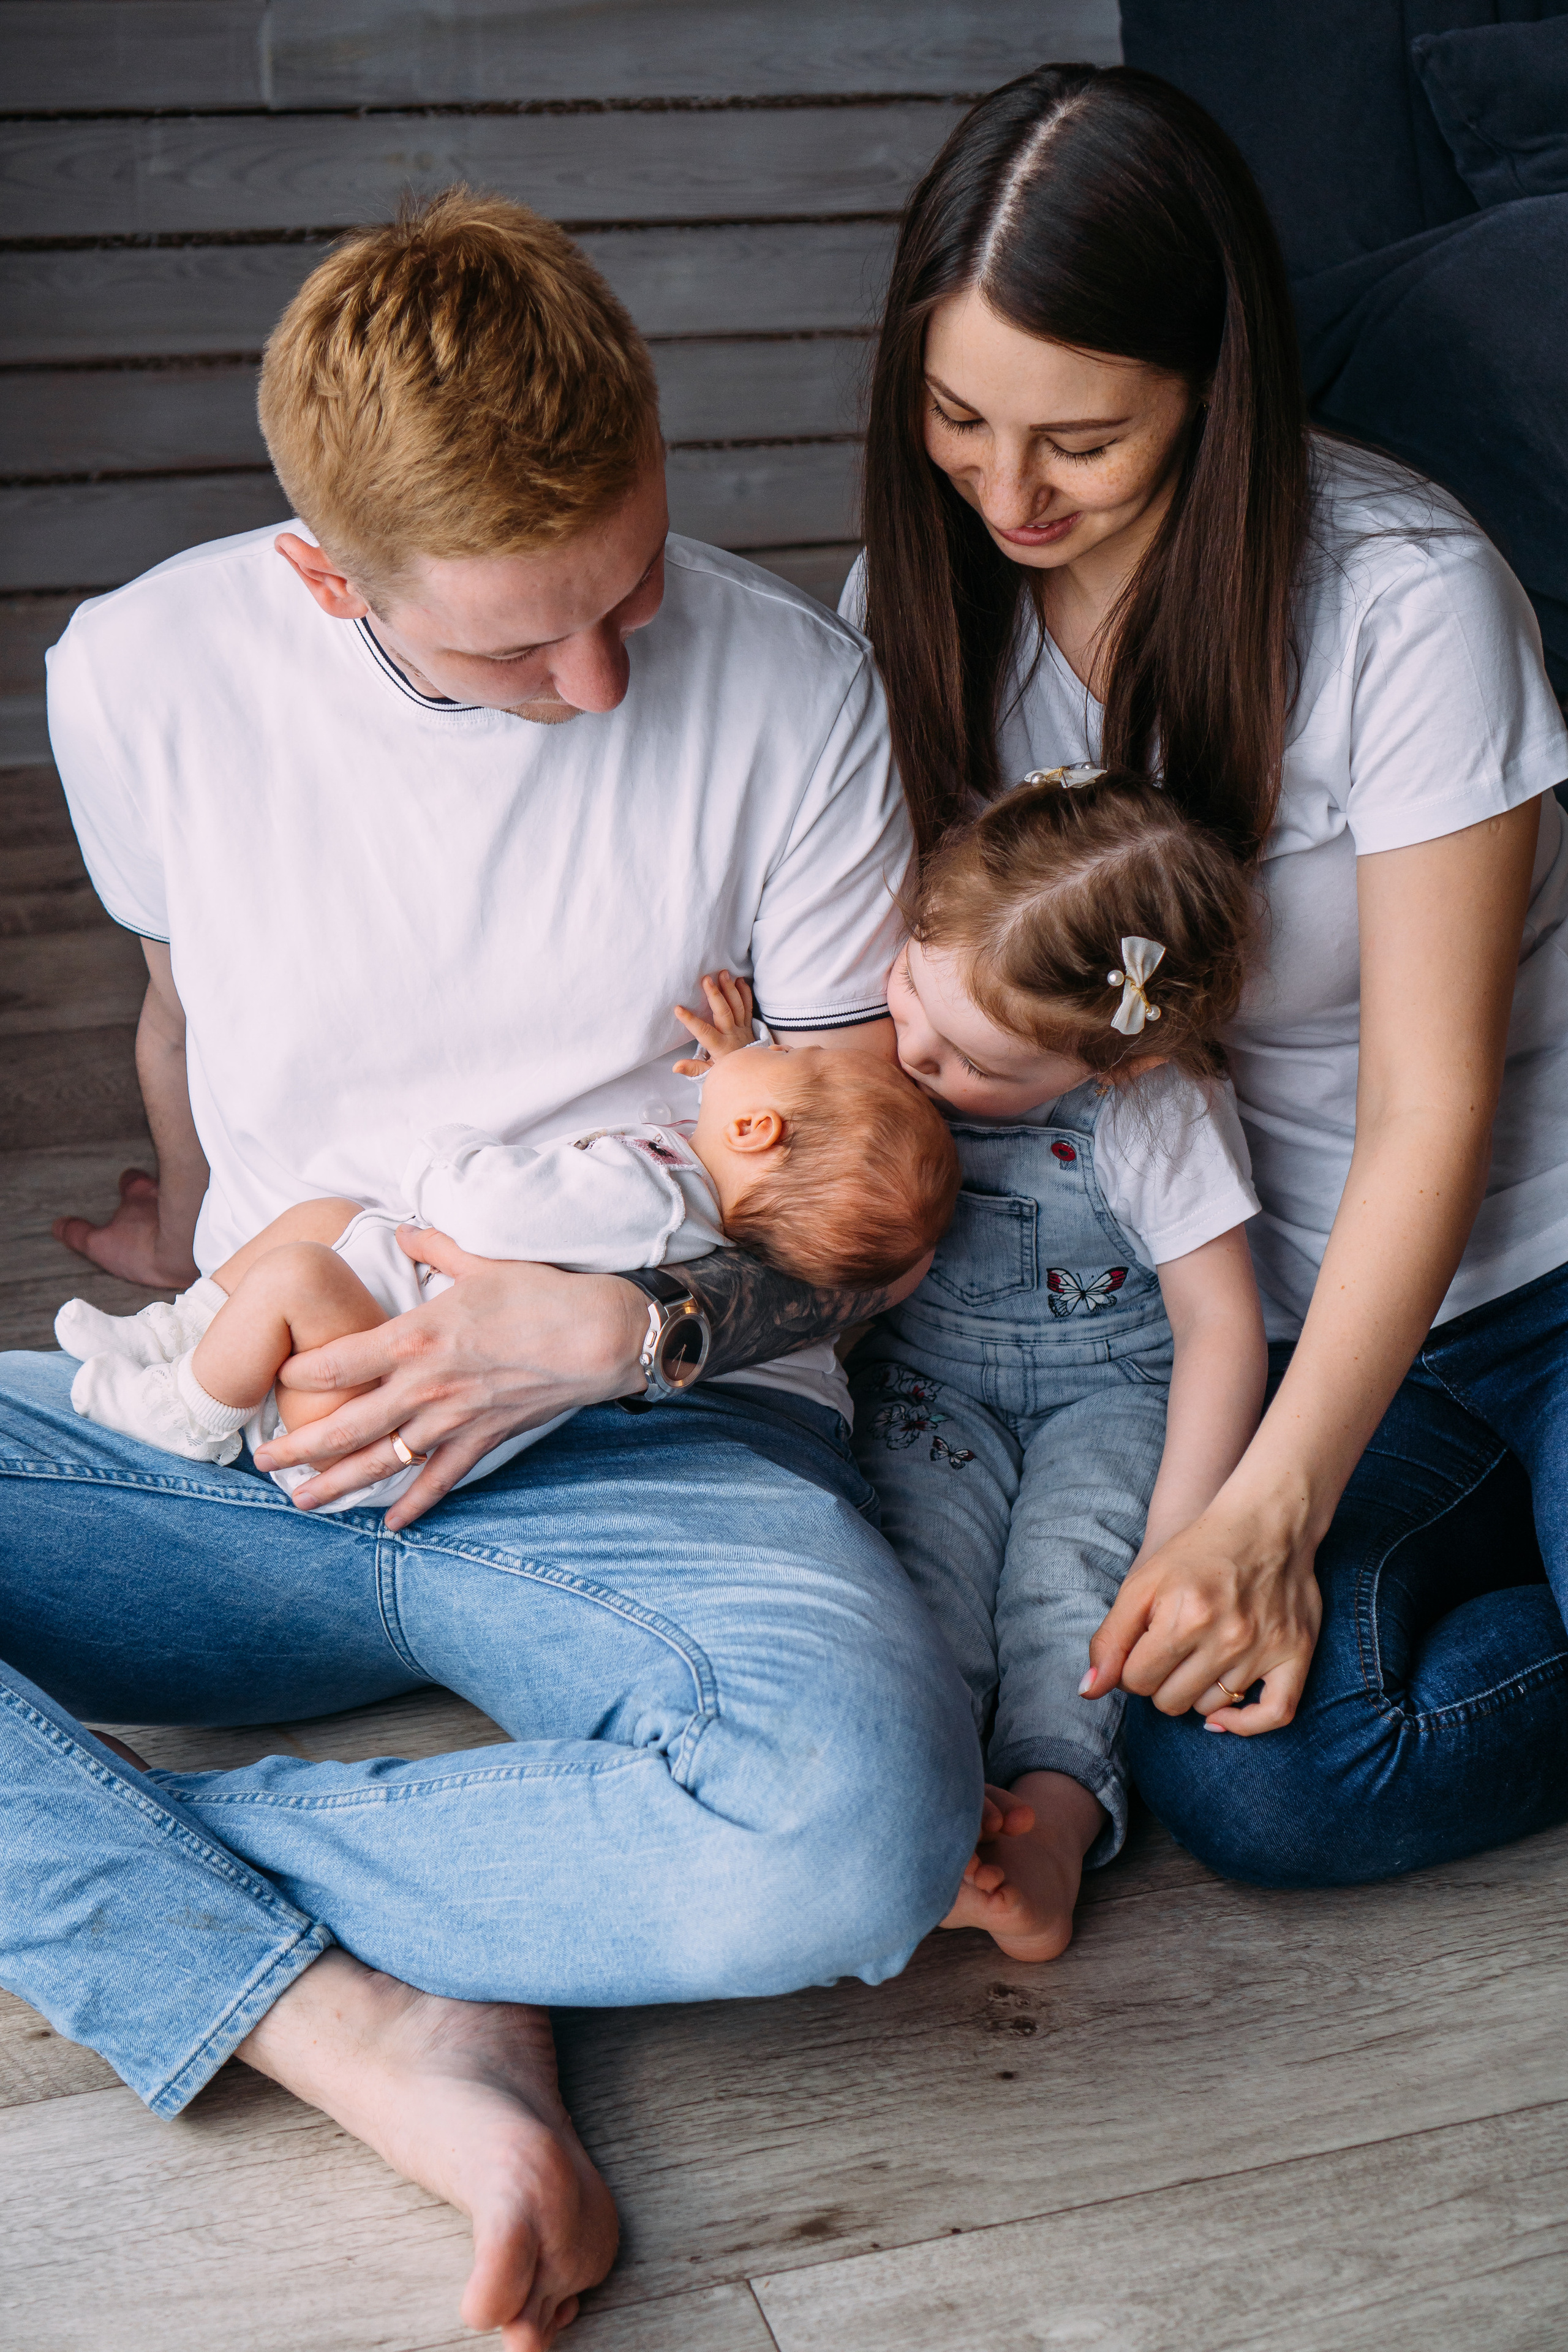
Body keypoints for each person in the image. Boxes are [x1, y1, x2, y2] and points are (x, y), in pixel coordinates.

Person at [0, 190, 984, 2352]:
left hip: (664, 1443)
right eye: (516, 646)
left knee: (861, 1832)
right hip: (256, 1423)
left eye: (629, 587)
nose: (602, 675)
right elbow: (192, 1008)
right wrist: (190, 1238)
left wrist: (628, 1331)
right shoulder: (141, 673)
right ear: (322, 576)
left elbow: (866, 1210)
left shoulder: (802, 700)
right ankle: (369, 2017)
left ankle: (134, 1882)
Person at [849, 64, 1568, 1888]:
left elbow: (1432, 1106)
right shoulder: (922, 606)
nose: (1008, 490)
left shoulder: (1407, 604)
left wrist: (1275, 1507)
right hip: (1306, 1326)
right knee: (1249, 1774)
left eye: (1079, 440)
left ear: (1209, 392)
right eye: (955, 418)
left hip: (1536, 1271)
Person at [846, 769, 1265, 1959]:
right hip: (929, 1383)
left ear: (1110, 1063)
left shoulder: (1156, 1112)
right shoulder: (910, 1028)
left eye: (978, 1065)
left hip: (1112, 1392)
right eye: (911, 998)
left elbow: (1220, 1328)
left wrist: (1185, 1537)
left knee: (1072, 1597)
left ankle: (1050, 1829)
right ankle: (918, 1808)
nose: (917, 1056)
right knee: (916, 1575)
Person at [57, 982, 958, 1510]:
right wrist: (741, 1053)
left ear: (758, 1128)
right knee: (320, 1221)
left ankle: (188, 1416)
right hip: (387, 1350)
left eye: (789, 1058)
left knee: (299, 1268)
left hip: (370, 1398)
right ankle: (169, 1336)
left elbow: (483, 1211)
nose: (774, 1050)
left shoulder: (642, 1194)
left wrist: (443, 1152)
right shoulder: (688, 1195)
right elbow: (766, 1111)